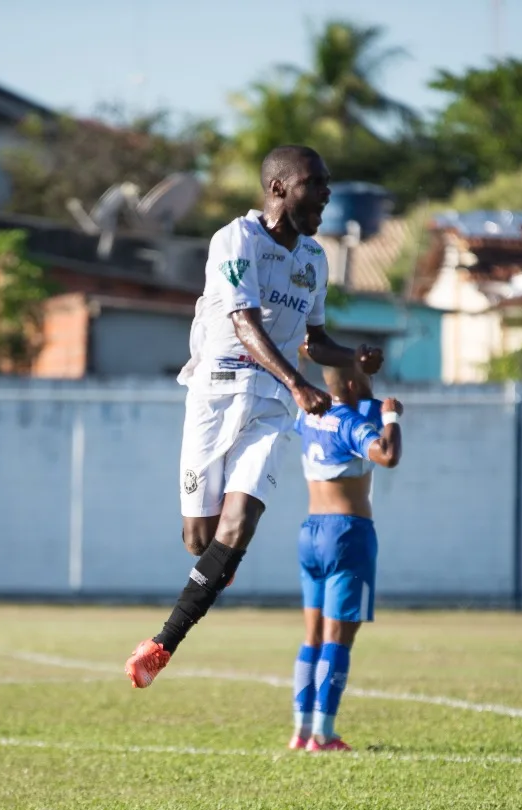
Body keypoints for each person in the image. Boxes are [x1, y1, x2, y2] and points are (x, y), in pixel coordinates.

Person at [125, 145, 383, 689]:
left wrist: (352, 356)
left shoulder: (314, 259)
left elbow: (313, 341)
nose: (327, 192)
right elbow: (243, 322)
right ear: (278, 189)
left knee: (238, 525)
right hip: (214, 396)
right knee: (200, 539)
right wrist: (299, 381)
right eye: (316, 182)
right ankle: (222, 559)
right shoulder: (235, 239)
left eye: (328, 182)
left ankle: (161, 644)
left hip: (270, 407)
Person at [290, 365, 402, 752]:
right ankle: (323, 736)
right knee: (339, 638)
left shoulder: (310, 415)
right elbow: (387, 454)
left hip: (311, 531)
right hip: (347, 533)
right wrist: (391, 418)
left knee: (313, 636)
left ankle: (302, 732)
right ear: (355, 385)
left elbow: (350, 405)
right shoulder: (352, 424)